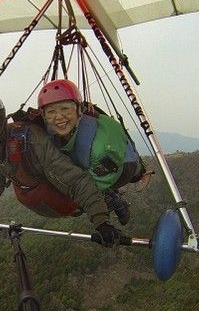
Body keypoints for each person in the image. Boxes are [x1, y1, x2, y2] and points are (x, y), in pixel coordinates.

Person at [0, 86, 124, 247]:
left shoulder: (31, 140)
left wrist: (101, 223)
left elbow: (75, 181)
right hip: (36, 196)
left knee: (75, 206)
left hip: (60, 191)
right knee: (57, 204)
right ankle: (102, 201)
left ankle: (108, 199)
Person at [37, 79, 145, 226]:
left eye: (65, 109)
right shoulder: (56, 128)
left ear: (78, 109)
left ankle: (115, 201)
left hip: (124, 166)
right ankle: (110, 198)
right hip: (88, 156)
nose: (58, 117)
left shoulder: (101, 146)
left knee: (79, 199)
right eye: (51, 112)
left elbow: (87, 188)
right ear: (44, 116)